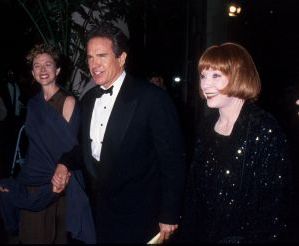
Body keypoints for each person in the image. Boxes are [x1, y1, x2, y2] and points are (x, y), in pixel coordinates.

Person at [52, 23, 185, 243]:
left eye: (101, 56)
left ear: (121, 58)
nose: (94, 64)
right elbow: (89, 149)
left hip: (141, 216)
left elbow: (172, 161)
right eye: (90, 57)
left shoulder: (152, 98)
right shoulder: (87, 100)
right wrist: (64, 163)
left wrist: (169, 213)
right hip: (101, 214)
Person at [177, 42, 291, 243]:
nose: (205, 84)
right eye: (203, 76)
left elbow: (274, 207)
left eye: (216, 76)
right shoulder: (207, 124)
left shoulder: (263, 128)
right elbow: (194, 192)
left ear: (238, 76)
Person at [0, 44, 95, 244]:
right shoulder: (33, 103)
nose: (43, 70)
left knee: (57, 237)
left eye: (48, 64)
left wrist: (61, 173)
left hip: (57, 182)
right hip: (33, 180)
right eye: (37, 65)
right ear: (32, 72)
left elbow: (72, 147)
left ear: (57, 70)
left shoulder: (68, 101)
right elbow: (33, 146)